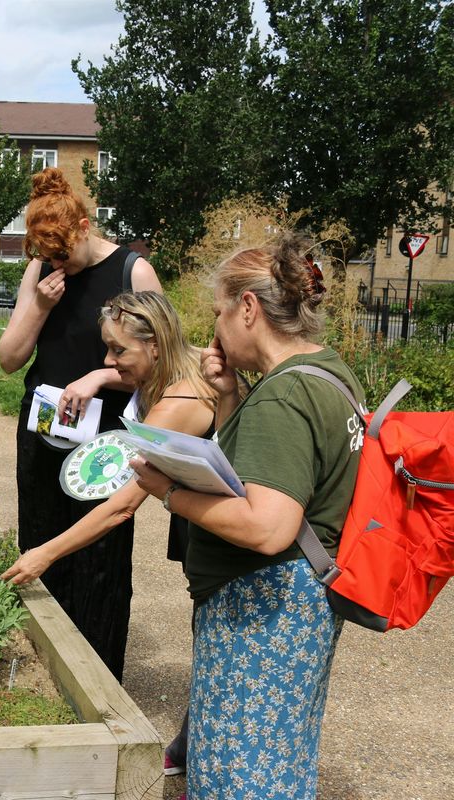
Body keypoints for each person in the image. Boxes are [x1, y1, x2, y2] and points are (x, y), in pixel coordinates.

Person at [132, 232, 363, 800]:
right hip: (301, 611)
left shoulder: (284, 400)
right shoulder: (329, 374)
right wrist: (231, 398)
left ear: (249, 308)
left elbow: (268, 526)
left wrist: (167, 491)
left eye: (219, 313)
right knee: (280, 762)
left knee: (243, 776)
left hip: (263, 618)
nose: (214, 331)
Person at [0, 290, 214, 779]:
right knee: (209, 628)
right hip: (199, 512)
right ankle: (191, 742)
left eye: (118, 351)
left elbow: (121, 507)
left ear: (155, 345)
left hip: (226, 520)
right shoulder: (174, 367)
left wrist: (44, 554)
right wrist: (101, 374)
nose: (108, 359)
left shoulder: (181, 397)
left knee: (216, 630)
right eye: (106, 349)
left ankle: (200, 755)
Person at [0, 167, 160, 681]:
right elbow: (8, 358)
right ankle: (49, 670)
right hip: (45, 432)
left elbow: (162, 363)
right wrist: (41, 305)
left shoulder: (133, 272)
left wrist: (100, 375)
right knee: (42, 540)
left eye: (62, 254)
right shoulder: (40, 272)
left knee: (99, 556)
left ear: (85, 226)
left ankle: (98, 681)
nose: (55, 264)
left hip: (108, 437)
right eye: (46, 257)